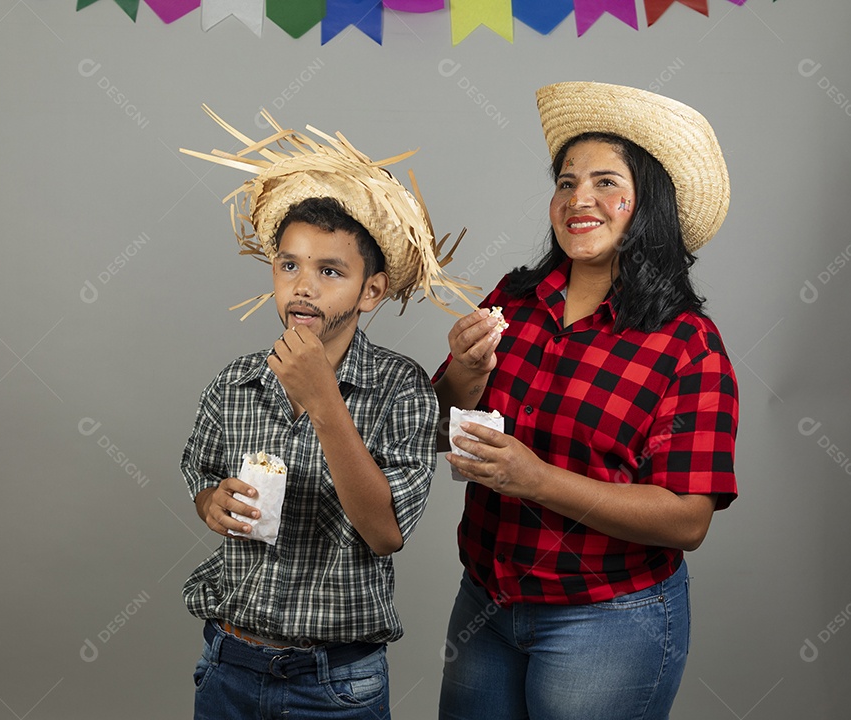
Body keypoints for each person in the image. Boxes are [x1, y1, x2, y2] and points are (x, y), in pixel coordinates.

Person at [433, 82, 740, 719]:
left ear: (646, 203)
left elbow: (688, 520)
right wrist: (464, 371)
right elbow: (438, 427)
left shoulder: (688, 345)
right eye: (566, 182)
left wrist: (537, 479)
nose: (580, 199)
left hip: (608, 621)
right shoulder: (513, 300)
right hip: (485, 602)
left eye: (605, 183)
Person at [179, 107, 470, 720]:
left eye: (329, 270)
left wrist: (322, 399)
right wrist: (211, 502)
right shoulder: (235, 383)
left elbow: (384, 533)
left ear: (371, 290)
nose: (302, 287)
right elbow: (200, 478)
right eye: (289, 266)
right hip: (229, 661)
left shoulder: (401, 388)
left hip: (334, 684)